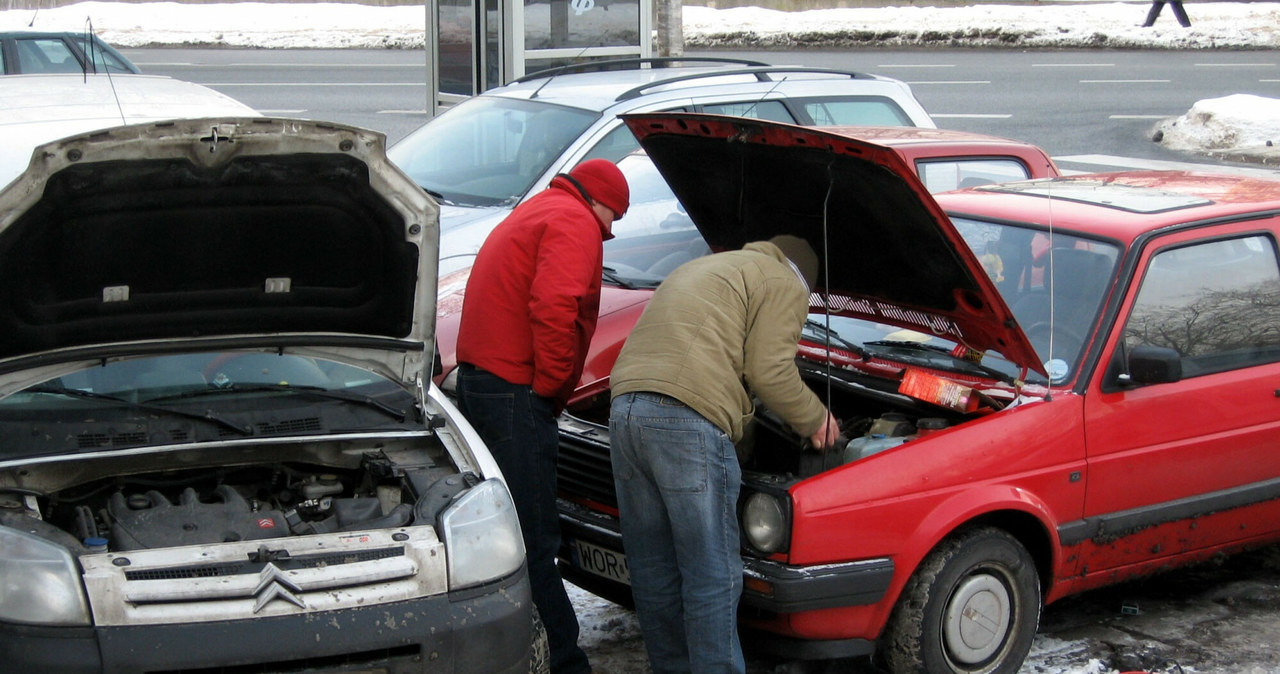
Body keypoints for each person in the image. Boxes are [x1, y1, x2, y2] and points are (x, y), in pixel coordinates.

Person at [608, 235, 842, 674]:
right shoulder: (784, 281)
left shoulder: (709, 266)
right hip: (685, 418)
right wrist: (817, 420)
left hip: (625, 409)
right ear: (805, 278)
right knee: (711, 575)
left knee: (654, 568)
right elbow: (769, 371)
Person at [454, 158, 629, 674]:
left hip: (485, 380)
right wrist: (553, 387)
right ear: (596, 200)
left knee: (507, 530)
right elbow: (556, 305)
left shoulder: (539, 210)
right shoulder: (574, 222)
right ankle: (564, 662)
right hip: (515, 390)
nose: (610, 230)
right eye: (612, 217)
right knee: (534, 539)